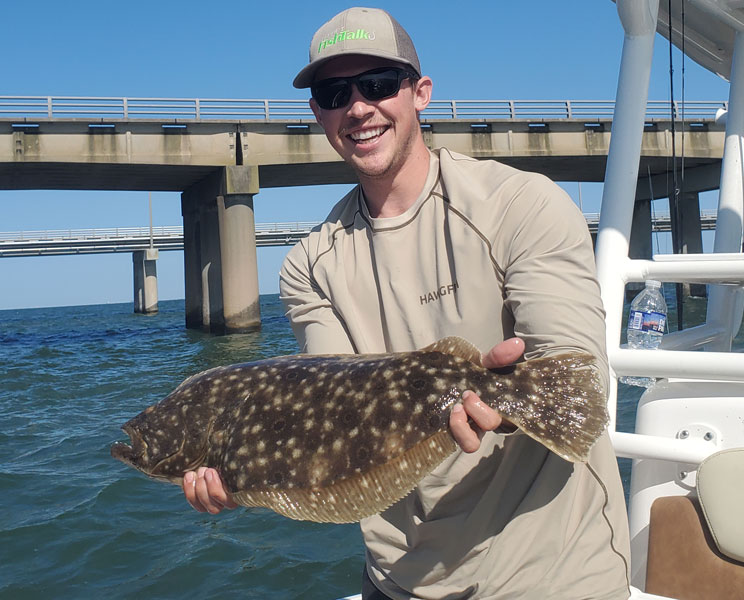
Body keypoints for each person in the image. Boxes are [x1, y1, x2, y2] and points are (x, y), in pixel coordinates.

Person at [183, 7, 631, 599]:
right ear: (318, 112)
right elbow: (332, 418)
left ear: (420, 93)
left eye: (377, 84)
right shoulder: (309, 266)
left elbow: (579, 382)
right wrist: (246, 473)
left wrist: (506, 393)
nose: (358, 107)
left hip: (547, 569)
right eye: (334, 92)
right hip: (398, 578)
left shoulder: (521, 204)